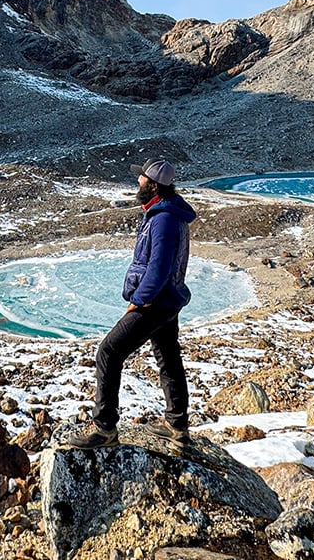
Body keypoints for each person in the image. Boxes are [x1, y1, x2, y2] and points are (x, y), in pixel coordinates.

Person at [67, 157, 196, 449]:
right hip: (168, 301)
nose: (137, 181)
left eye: (141, 179)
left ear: (153, 185)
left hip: (156, 303)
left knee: (109, 352)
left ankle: (104, 430)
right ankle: (177, 426)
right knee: (168, 358)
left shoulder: (163, 218)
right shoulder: (164, 212)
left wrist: (139, 301)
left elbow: (159, 269)